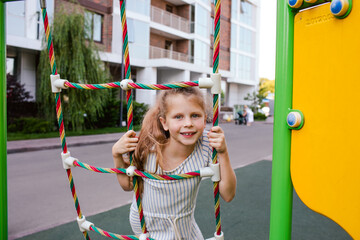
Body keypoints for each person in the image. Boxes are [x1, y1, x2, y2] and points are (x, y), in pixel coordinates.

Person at [112, 87, 236, 240]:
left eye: (195, 115)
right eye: (178, 117)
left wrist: (223, 152)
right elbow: (128, 185)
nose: (188, 123)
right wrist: (116, 155)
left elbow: (228, 194)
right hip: (147, 225)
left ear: (205, 120)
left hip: (183, 224)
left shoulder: (206, 144)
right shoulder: (149, 146)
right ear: (164, 123)